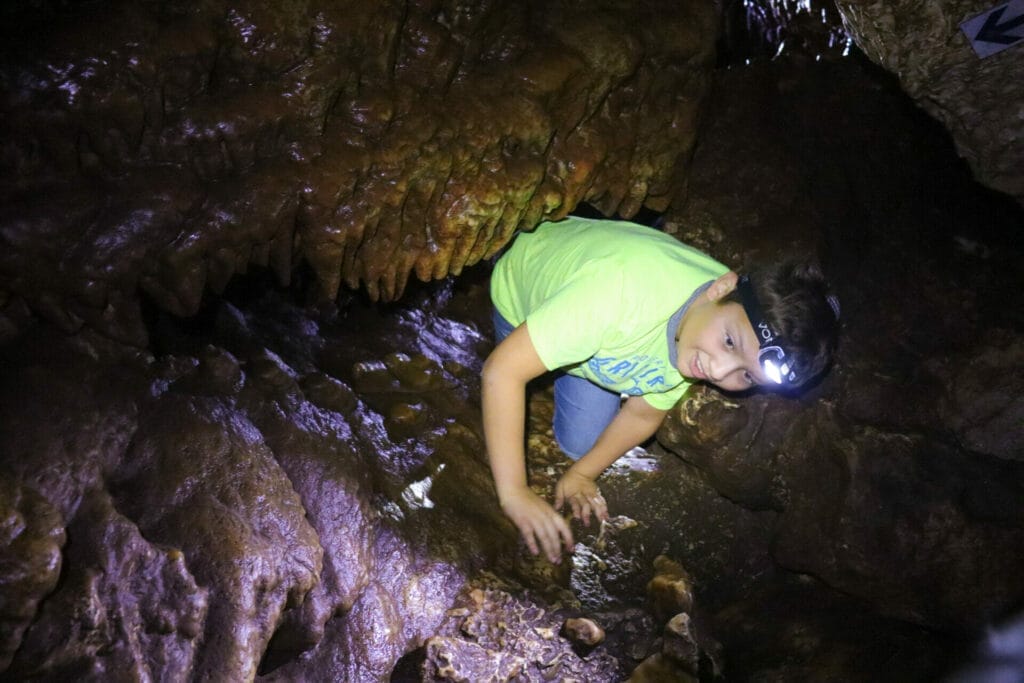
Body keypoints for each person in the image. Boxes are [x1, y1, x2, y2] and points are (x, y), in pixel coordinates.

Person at [483, 215, 840, 564]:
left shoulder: (708, 328)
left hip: (596, 327)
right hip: (529, 283)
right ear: (720, 289)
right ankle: (552, 340)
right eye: (730, 342)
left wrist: (582, 474)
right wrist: (514, 493)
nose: (717, 370)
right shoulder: (617, 292)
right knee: (522, 362)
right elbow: (502, 372)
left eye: (746, 377)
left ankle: (565, 346)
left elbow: (644, 412)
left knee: (580, 445)